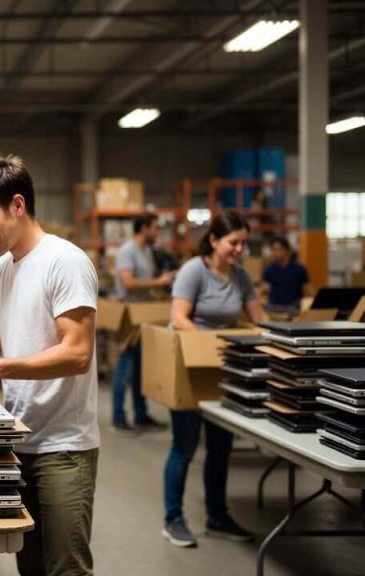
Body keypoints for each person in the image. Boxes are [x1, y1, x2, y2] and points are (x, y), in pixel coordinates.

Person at [0, 154, 99, 576]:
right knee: (27, 566)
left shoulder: (64, 262)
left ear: (17, 204)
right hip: (17, 443)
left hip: (64, 447)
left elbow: (77, 354)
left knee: (65, 568)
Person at [163, 210, 269, 548]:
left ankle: (217, 516)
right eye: (233, 242)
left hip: (224, 369)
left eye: (243, 243)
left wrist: (275, 334)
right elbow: (179, 319)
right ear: (213, 240)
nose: (239, 249)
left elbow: (258, 317)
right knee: (185, 447)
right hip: (191, 365)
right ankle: (173, 518)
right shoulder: (194, 271)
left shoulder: (240, 276)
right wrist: (207, 346)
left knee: (221, 448)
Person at [110, 213, 174, 435]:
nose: (157, 232)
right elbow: (127, 283)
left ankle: (141, 414)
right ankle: (118, 417)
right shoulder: (128, 250)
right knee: (125, 367)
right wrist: (159, 281)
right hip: (130, 316)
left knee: (140, 369)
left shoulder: (147, 251)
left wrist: (160, 287)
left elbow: (145, 283)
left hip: (144, 314)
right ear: (144, 228)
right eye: (155, 228)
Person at [261, 236, 312, 313]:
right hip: (273, 307)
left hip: (294, 307)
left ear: (288, 251)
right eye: (273, 250)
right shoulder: (269, 270)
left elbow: (308, 291)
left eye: (278, 250)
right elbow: (264, 290)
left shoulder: (300, 269)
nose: (275, 253)